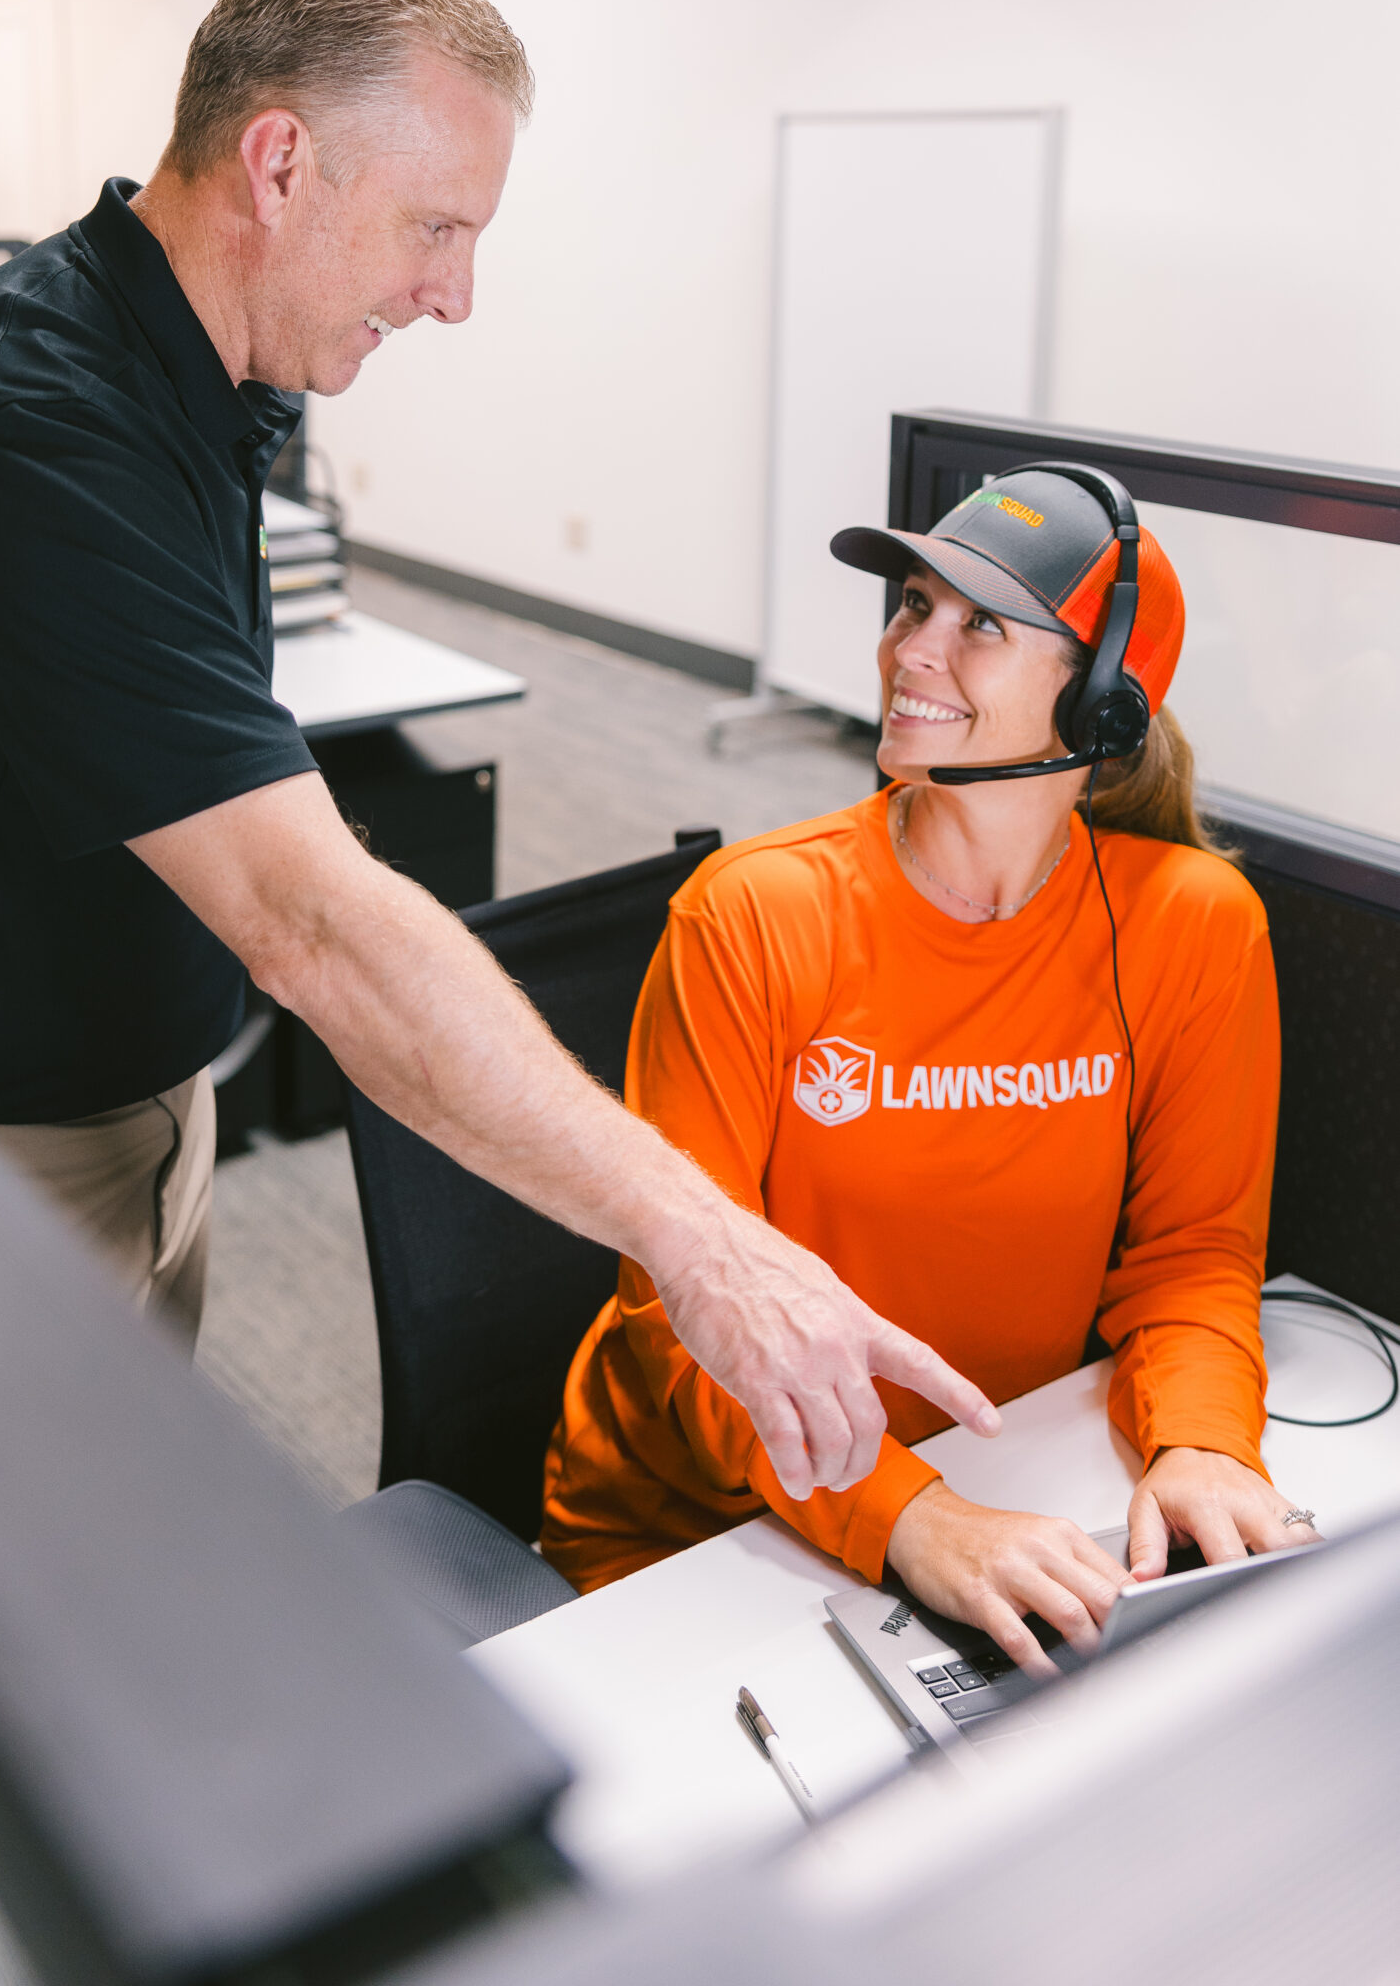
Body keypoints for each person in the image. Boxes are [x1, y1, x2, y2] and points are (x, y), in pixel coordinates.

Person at [0, 0, 998, 1506]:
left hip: (137, 1102)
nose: (455, 295)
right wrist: (700, 1240)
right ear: (279, 163)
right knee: (7, 1694)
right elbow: (308, 919)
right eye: (435, 227)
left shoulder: (199, 367)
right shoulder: (29, 428)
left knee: (126, 1557)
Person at [542, 468, 1318, 1673]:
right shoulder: (751, 914)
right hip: (706, 1532)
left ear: (1105, 702)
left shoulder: (1192, 925)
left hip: (1003, 1490)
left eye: (979, 625)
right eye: (911, 604)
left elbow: (1192, 1254)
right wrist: (907, 1517)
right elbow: (680, 1313)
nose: (912, 649)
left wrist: (1202, 1442)